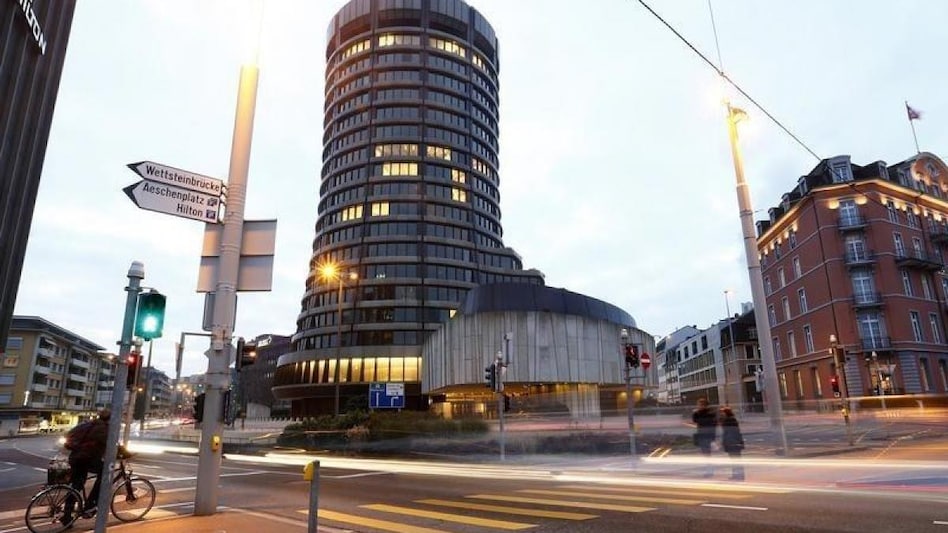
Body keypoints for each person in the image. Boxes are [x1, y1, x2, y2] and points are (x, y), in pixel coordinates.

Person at [63, 409, 110, 524]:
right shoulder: (103, 428)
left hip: (75, 457)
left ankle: (67, 516)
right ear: (109, 419)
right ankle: (91, 503)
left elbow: (69, 435)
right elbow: (112, 445)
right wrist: (124, 453)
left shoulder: (89, 424)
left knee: (76, 485)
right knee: (105, 472)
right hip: (86, 458)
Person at [691, 398, 717, 477]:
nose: (698, 406)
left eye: (699, 405)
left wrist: (696, 413)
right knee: (705, 453)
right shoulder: (704, 413)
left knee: (707, 454)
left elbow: (699, 421)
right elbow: (695, 421)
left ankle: (709, 471)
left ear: (703, 405)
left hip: (706, 436)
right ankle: (709, 470)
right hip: (704, 435)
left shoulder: (708, 413)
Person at [720, 406, 745, 480]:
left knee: (735, 459)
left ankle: (738, 475)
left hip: (732, 442)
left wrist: (727, 442)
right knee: (735, 459)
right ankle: (737, 475)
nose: (721, 414)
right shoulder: (731, 420)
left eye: (722, 413)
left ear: (726, 413)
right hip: (734, 441)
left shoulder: (729, 420)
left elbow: (728, 432)